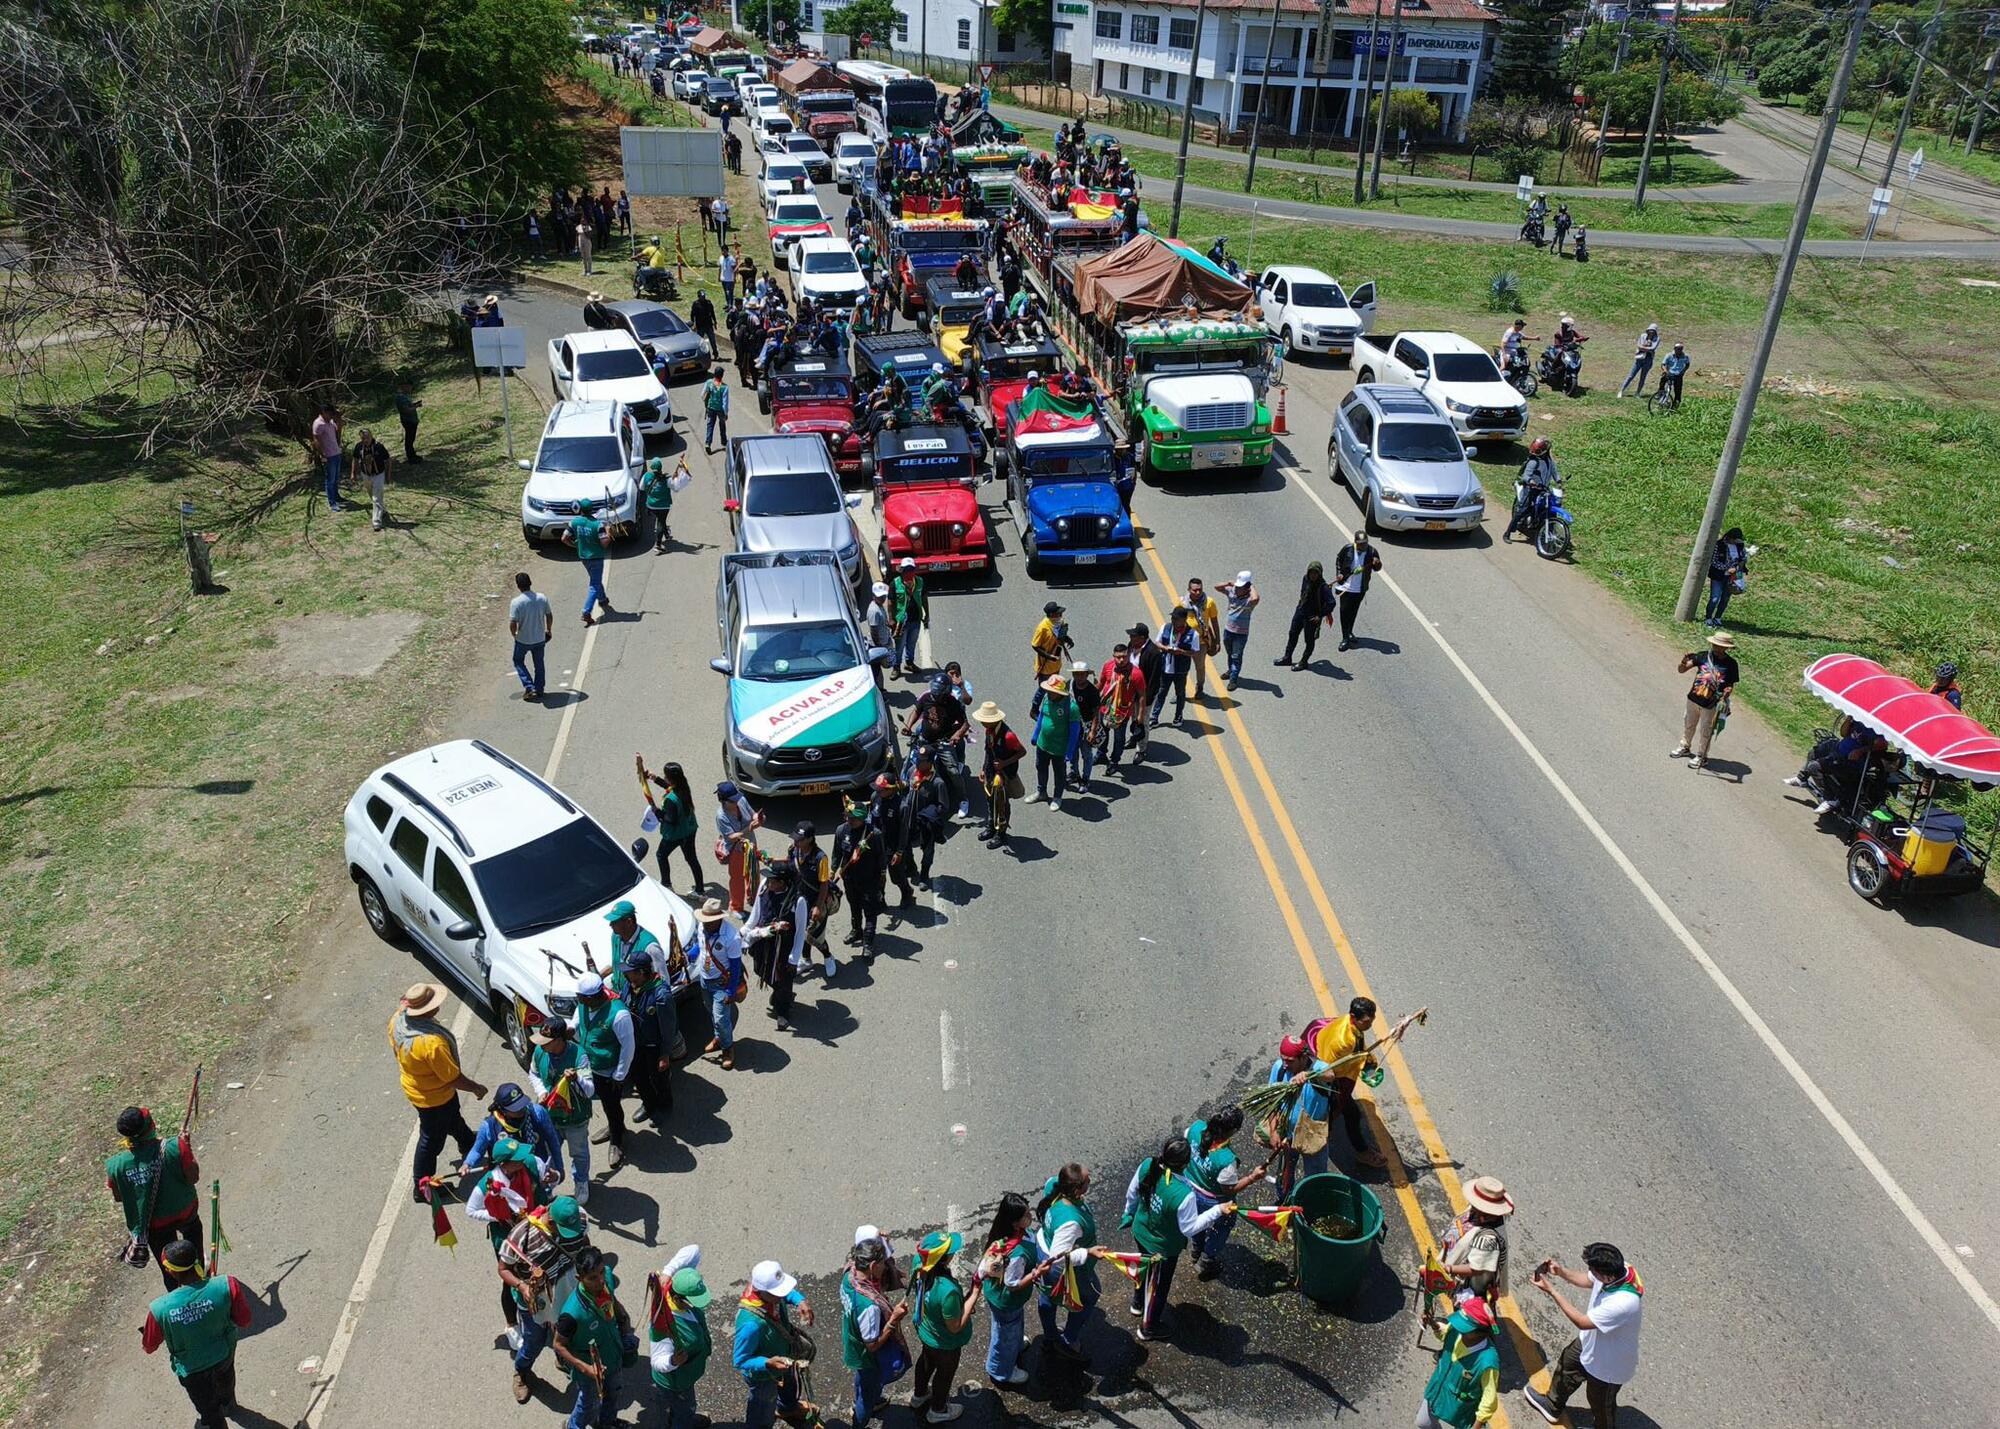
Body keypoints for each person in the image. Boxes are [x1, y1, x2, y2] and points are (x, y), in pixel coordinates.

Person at [1121, 1137, 1235, 1341]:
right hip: (1163, 1249)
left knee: (1143, 1269)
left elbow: (1132, 1193)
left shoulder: (1148, 1165)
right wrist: (1217, 1210)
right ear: (1185, 1164)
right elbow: (1190, 1228)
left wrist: (1128, 1213)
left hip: (1141, 1231)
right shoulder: (1184, 1194)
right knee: (1159, 1288)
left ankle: (1137, 1303)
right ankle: (1149, 1328)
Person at [1521, 1243, 1644, 1429]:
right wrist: (1561, 1272)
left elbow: (1582, 1321)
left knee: (1600, 1403)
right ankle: (1552, 1406)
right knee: (1567, 1365)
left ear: (1607, 1276)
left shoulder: (1623, 1302)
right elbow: (1588, 1280)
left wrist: (1552, 1291)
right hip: (1590, 1341)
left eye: (1593, 1270)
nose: (1590, 1273)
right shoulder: (1620, 1270)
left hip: (1609, 1364)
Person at [140, 1237, 253, 1428]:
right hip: (223, 1353)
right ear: (198, 1261)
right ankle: (228, 1403)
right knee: (226, 1381)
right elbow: (244, 1320)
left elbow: (149, 1346)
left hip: (192, 1369)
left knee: (208, 1408)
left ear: (170, 1271)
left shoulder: (159, 1309)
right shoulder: (227, 1284)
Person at [391, 982, 486, 1204]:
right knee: (431, 1141)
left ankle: (467, 1140)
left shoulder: (398, 1020)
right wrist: (475, 1088)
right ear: (427, 1011)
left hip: (416, 1087)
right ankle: (422, 1186)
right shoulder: (432, 1043)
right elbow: (451, 1077)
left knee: (452, 1116)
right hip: (434, 1097)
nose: (438, 1007)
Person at [107, 1105, 203, 1291]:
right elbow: (194, 1178)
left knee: (168, 1268)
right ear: (151, 1126)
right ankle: (201, 1286)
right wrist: (186, 1148)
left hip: (155, 1225)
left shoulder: (116, 1166)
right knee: (195, 1255)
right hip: (186, 1214)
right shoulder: (176, 1146)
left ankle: (176, 1294)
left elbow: (119, 1197)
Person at [555, 1246, 639, 1429]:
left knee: (614, 1392)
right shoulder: (571, 1314)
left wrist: (625, 1326)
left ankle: (607, 1424)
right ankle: (572, 1426)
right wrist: (586, 1368)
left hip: (613, 1356)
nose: (600, 1280)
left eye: (601, 1272)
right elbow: (559, 1345)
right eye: (592, 1278)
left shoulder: (606, 1279)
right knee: (587, 1404)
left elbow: (613, 1302)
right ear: (580, 1279)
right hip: (590, 1369)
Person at [1304, 996, 1389, 1168]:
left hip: (1330, 1069)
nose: (1370, 1025)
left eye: (1372, 1021)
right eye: (1366, 1022)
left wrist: (1368, 1062)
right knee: (1349, 1113)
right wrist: (1369, 1069)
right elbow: (1349, 1062)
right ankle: (1358, 1151)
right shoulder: (1344, 1043)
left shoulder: (1349, 1025)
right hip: (1329, 1080)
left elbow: (1359, 1052)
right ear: (1353, 1017)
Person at [733, 1259, 816, 1429]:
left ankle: (787, 1409)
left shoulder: (769, 1295)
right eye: (778, 1293)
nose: (782, 1296)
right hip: (764, 1375)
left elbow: (787, 1293)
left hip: (783, 1361)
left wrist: (799, 1300)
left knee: (790, 1385)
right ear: (760, 1291)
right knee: (762, 1408)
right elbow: (740, 1360)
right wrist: (767, 1363)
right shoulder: (750, 1325)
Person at [1184, 1107, 1263, 1279]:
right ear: (1233, 1131)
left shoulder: (1195, 1128)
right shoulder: (1226, 1160)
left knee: (1197, 1222)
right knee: (1222, 1226)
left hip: (1189, 1191)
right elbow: (1229, 1189)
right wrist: (1252, 1177)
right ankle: (1206, 1260)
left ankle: (1196, 1248)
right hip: (1212, 1200)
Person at [841, 1235, 911, 1425]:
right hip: (866, 1355)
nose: (885, 1267)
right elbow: (872, 1345)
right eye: (883, 1264)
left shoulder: (849, 1275)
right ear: (872, 1267)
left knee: (862, 1380)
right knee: (867, 1394)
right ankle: (860, 1421)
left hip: (853, 1341)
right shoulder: (869, 1307)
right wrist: (894, 1319)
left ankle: (870, 1398)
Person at [1033, 1165, 1100, 1363]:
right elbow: (1058, 1256)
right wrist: (1087, 1252)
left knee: (1047, 1295)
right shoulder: (1071, 1223)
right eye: (1088, 1180)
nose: (1090, 1180)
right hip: (1057, 1265)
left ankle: (1050, 1334)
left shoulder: (1054, 1186)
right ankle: (1068, 1339)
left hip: (1042, 1248)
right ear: (1077, 1189)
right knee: (1090, 1296)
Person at [911, 1231, 978, 1422]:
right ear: (944, 1258)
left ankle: (919, 1395)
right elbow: (955, 1326)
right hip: (945, 1343)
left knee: (926, 1362)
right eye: (950, 1252)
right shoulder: (947, 1291)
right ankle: (937, 1410)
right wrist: (974, 1294)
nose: (953, 1254)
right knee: (944, 1373)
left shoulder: (919, 1264)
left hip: (927, 1332)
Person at [530, 1018, 597, 1204]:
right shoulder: (539, 1052)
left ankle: (581, 1181)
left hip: (576, 1119)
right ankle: (549, 1183)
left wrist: (577, 1079)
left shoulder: (578, 1055)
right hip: (550, 1118)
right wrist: (542, 1091)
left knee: (579, 1154)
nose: (541, 1045)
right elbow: (534, 1074)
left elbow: (590, 1090)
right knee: (548, 1153)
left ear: (559, 1040)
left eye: (546, 1042)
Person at [647, 1245, 713, 1429]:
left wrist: (667, 1272)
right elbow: (657, 1361)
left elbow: (694, 1250)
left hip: (686, 1373)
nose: (696, 1305)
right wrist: (673, 1360)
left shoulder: (677, 1284)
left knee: (682, 1406)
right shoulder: (663, 1323)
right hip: (676, 1380)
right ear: (678, 1299)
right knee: (685, 1408)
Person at [575, 975, 636, 1171]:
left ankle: (617, 1140)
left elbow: (628, 1047)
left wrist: (619, 1075)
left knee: (612, 1105)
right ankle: (613, 1126)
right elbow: (576, 1019)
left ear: (593, 997)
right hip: (589, 1065)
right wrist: (567, 1029)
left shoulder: (619, 1015)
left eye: (581, 997)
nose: (579, 1000)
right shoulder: (584, 1005)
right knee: (603, 1102)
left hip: (609, 1072)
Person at [744, 859, 808, 1032]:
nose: (769, 882)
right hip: (763, 944)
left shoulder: (798, 901)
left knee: (783, 979)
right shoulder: (765, 886)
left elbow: (800, 932)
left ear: (783, 882)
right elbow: (756, 913)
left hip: (784, 948)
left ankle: (783, 1011)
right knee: (760, 970)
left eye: (773, 880)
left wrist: (794, 959)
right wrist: (745, 932)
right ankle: (780, 992)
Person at [1419, 1298, 1503, 1427]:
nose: (1459, 1330)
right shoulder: (1457, 1330)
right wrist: (1432, 1323)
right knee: (1423, 1422)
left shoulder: (1488, 1362)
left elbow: (1489, 1400)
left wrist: (1477, 1426)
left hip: (1463, 1410)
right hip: (1437, 1392)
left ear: (1479, 1333)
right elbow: (1445, 1334)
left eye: (1464, 1328)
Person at [1438, 1176, 1514, 1315]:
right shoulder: (1478, 1213)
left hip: (1470, 1288)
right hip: (1461, 1277)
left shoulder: (1488, 1239)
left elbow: (1476, 1268)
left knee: (1469, 1317)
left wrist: (1449, 1268)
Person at [619, 951, 677, 1131]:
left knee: (659, 1078)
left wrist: (665, 1054)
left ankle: (665, 1106)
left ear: (642, 972)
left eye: (630, 971)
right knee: (638, 1076)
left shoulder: (661, 995)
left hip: (654, 1046)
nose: (626, 974)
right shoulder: (630, 985)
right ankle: (649, 1104)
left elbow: (668, 1029)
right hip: (635, 1043)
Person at [1670, 631, 1738, 772]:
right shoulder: (1702, 656)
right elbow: (1681, 670)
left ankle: (1702, 755)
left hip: (1711, 703)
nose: (1716, 648)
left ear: (1727, 648)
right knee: (1689, 724)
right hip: (1694, 698)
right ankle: (1685, 746)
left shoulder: (1731, 664)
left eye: (1720, 646)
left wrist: (1727, 693)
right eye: (1715, 645)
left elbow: (1730, 685)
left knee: (1706, 730)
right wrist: (1683, 661)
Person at [639, 758, 704, 890]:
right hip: (690, 829)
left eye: (665, 776)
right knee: (692, 859)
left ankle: (666, 884)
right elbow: (669, 787)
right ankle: (700, 890)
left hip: (675, 834)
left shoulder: (670, 800)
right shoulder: (684, 787)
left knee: (661, 855)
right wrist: (654, 778)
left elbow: (670, 819)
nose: (664, 778)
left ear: (670, 778)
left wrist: (656, 811)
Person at [833, 799, 888, 951]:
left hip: (869, 880)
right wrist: (832, 871)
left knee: (870, 911)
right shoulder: (841, 831)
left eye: (853, 818)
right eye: (847, 816)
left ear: (863, 819)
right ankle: (856, 930)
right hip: (849, 879)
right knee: (854, 906)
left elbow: (881, 857)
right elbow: (837, 854)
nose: (849, 820)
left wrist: (883, 876)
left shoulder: (874, 834)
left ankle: (868, 942)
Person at [973, 701, 1025, 847]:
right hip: (991, 772)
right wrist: (983, 769)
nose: (982, 723)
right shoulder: (989, 731)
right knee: (990, 801)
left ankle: (1001, 834)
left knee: (1002, 805)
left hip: (1005, 775)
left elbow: (1022, 752)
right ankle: (991, 827)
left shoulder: (1009, 736)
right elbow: (988, 752)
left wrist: (1004, 763)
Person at [1030, 674, 1081, 810]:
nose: (1048, 692)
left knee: (1059, 773)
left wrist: (1069, 752)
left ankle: (1057, 797)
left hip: (1059, 748)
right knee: (1040, 768)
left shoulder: (1071, 707)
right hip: (1043, 744)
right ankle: (1041, 792)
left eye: (1051, 691)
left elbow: (1074, 732)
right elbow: (1041, 716)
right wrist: (1035, 735)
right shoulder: (1047, 698)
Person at [715, 780, 764, 916]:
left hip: (751, 845)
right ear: (724, 801)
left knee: (753, 873)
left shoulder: (741, 800)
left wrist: (758, 818)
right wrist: (750, 828)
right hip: (736, 850)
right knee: (737, 879)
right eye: (732, 801)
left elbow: (752, 813)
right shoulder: (721, 816)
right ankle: (736, 907)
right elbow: (731, 837)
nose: (736, 802)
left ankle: (754, 899)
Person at [562, 499, 613, 626]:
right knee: (594, 584)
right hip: (596, 557)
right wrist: (609, 531)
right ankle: (586, 611)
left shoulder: (574, 522)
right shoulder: (598, 525)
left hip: (583, 557)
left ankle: (602, 599)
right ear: (592, 509)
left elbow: (564, 538)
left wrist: (575, 545)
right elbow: (604, 543)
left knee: (595, 579)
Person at [1096, 644, 1146, 771]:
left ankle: (1114, 761)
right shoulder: (1108, 666)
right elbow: (1101, 684)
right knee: (1103, 733)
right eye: (1118, 657)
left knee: (1119, 739)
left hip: (1122, 713)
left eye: (1124, 656)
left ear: (1128, 655)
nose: (1121, 660)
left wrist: (1140, 715)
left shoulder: (1136, 674)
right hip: (1105, 709)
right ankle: (1101, 754)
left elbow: (1141, 696)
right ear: (1113, 657)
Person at [1276, 561, 1334, 669]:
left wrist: (1319, 615)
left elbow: (1332, 603)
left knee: (1309, 640)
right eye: (1311, 572)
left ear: (1320, 574)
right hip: (1300, 611)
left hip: (1312, 617)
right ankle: (1287, 657)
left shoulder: (1323, 587)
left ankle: (1304, 661)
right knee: (1293, 634)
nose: (1313, 575)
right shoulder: (1305, 579)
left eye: (1316, 573)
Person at [1333, 532, 1383, 651]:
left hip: (1360, 588)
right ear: (1355, 543)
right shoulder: (1348, 549)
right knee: (1344, 612)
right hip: (1345, 587)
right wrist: (1339, 573)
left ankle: (1350, 632)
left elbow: (1377, 568)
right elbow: (1339, 560)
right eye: (1361, 544)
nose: (1363, 546)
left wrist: (1377, 563)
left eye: (1365, 543)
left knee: (1353, 611)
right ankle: (1345, 638)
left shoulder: (1372, 551)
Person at [1503, 439, 1559, 543]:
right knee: (1522, 510)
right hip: (1531, 490)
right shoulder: (1533, 461)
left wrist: (1559, 481)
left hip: (1543, 490)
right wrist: (1530, 481)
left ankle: (1548, 530)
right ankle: (1507, 533)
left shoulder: (1550, 462)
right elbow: (1526, 475)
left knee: (1550, 509)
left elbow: (1554, 472)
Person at [1151, 608, 1200, 728]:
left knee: (1180, 693)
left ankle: (1178, 716)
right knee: (1161, 692)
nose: (1173, 620)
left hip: (1180, 669)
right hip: (1165, 667)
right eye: (1172, 617)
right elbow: (1157, 642)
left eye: (1176, 618)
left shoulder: (1193, 634)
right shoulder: (1166, 627)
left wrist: (1182, 652)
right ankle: (1154, 717)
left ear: (1183, 620)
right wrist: (1165, 647)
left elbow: (1194, 652)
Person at [510, 572, 554, 701]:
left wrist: (514, 635)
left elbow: (513, 623)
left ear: (518, 586)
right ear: (530, 583)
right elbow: (549, 615)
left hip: (523, 639)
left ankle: (529, 686)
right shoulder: (542, 598)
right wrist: (548, 630)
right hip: (540, 638)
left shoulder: (516, 602)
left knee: (518, 661)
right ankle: (539, 689)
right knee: (539, 664)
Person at [1215, 571, 1259, 690]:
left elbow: (1256, 598)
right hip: (1228, 630)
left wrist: (1252, 586)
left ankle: (1233, 680)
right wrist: (1229, 583)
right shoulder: (1232, 592)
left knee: (1236, 656)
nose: (1237, 589)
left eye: (1240, 587)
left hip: (1241, 634)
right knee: (1230, 653)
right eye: (1237, 586)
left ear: (1247, 587)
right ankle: (1230, 671)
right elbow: (1217, 587)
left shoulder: (1250, 599)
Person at [1028, 600, 1072, 717]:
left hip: (1056, 663)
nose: (1061, 615)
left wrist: (1068, 639)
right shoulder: (1042, 627)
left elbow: (1061, 635)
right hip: (1046, 665)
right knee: (1043, 688)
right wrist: (1049, 656)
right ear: (1052, 615)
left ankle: (1051, 706)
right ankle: (1034, 709)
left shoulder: (1058, 622)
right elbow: (1035, 645)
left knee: (1054, 686)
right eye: (1058, 613)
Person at [1704, 527, 1749, 628]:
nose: (1736, 542)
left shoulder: (1740, 546)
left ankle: (1718, 618)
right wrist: (1726, 569)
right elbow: (1714, 561)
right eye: (1734, 540)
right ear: (1730, 537)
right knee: (1715, 598)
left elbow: (1743, 559)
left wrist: (1737, 570)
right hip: (1718, 576)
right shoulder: (1719, 545)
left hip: (1733, 576)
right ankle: (1708, 618)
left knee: (1725, 598)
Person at [1184, 577, 1221, 697]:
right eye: (1194, 590)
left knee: (1200, 667)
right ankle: (1180, 691)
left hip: (1201, 642)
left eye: (1200, 590)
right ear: (1189, 590)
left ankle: (1199, 688)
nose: (1198, 592)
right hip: (1185, 642)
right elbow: (1176, 621)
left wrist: (1217, 640)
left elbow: (1214, 622)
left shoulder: (1209, 602)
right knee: (1182, 668)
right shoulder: (1182, 603)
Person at [891, 558, 928, 675]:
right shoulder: (895, 583)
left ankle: (909, 663)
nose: (909, 572)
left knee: (912, 643)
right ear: (902, 571)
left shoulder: (920, 581)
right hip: (901, 622)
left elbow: (924, 598)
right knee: (899, 646)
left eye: (911, 569)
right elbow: (890, 602)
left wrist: (927, 614)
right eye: (906, 570)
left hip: (915, 619)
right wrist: (891, 618)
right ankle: (896, 667)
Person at [312, 404, 345, 512]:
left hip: (336, 452)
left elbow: (337, 433)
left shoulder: (330, 422)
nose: (331, 416)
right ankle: (332, 502)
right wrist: (322, 455)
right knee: (330, 479)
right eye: (330, 414)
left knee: (335, 478)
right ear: (324, 412)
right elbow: (316, 441)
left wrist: (339, 420)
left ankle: (337, 496)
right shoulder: (318, 424)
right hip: (328, 456)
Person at [640, 456, 677, 551]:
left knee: (661, 520)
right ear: (661, 467)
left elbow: (641, 488)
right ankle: (658, 544)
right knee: (660, 522)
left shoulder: (646, 476)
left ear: (652, 467)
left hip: (651, 505)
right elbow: (675, 487)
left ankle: (667, 534)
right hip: (664, 506)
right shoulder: (666, 479)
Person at [1617, 323, 1659, 398]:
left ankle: (1638, 393)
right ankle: (1621, 390)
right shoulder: (1643, 336)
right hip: (1640, 358)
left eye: (1653, 331)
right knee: (1631, 375)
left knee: (1643, 377)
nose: (1651, 332)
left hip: (1648, 360)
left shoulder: (1657, 338)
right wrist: (1647, 348)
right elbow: (1639, 346)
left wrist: (1644, 348)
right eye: (1650, 330)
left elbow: (1653, 348)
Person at [702, 367, 731, 453]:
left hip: (711, 408)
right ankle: (724, 441)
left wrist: (706, 403)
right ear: (722, 375)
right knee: (722, 425)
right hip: (720, 410)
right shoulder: (724, 387)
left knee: (710, 426)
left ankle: (708, 443)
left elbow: (702, 395)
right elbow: (725, 403)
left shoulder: (709, 383)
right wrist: (726, 413)